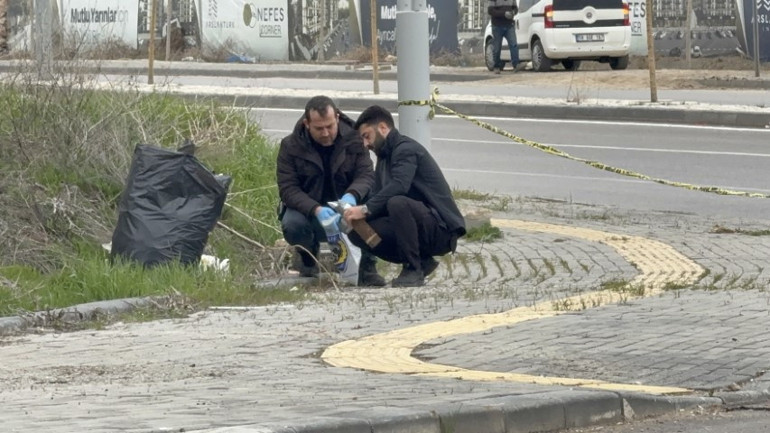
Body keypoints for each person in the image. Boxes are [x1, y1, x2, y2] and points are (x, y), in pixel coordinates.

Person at [343, 106, 466, 288]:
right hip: (416, 225)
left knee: (397, 202)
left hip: (441, 229)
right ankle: (422, 261)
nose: (365, 144)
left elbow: (400, 186)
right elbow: (378, 197)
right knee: (358, 231)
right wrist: (354, 217)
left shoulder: (405, 149)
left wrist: (364, 209)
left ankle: (413, 268)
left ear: (383, 128)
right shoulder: (384, 158)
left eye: (366, 136)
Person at [276, 95, 385, 286]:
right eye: (319, 128)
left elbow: (366, 175)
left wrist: (351, 197)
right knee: (292, 223)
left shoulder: (355, 139)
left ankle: (367, 265)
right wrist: (316, 209)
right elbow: (288, 189)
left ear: (337, 117)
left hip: (347, 205)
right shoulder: (291, 146)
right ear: (306, 124)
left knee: (374, 202)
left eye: (330, 126)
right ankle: (307, 257)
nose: (326, 133)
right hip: (312, 210)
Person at [488, 0, 524, 74]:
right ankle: (497, 66)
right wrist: (503, 14)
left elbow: (515, 8)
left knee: (514, 45)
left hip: (509, 25)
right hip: (497, 26)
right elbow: (490, 10)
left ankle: (516, 64)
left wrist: (513, 12)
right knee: (497, 47)